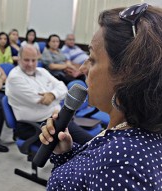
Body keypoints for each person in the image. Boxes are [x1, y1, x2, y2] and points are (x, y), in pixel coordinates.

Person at [39, 3, 162, 190]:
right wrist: (66, 154)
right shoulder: (129, 134)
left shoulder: (121, 165)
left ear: (126, 73)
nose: (82, 68)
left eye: (93, 59)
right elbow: (89, 177)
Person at [6, 44, 93, 145]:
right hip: (34, 126)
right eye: (26, 60)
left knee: (89, 144)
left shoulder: (41, 71)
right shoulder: (14, 78)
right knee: (86, 145)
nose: (30, 64)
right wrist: (56, 99)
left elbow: (63, 88)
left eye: (33, 60)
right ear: (19, 59)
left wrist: (52, 94)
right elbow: (43, 101)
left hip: (55, 119)